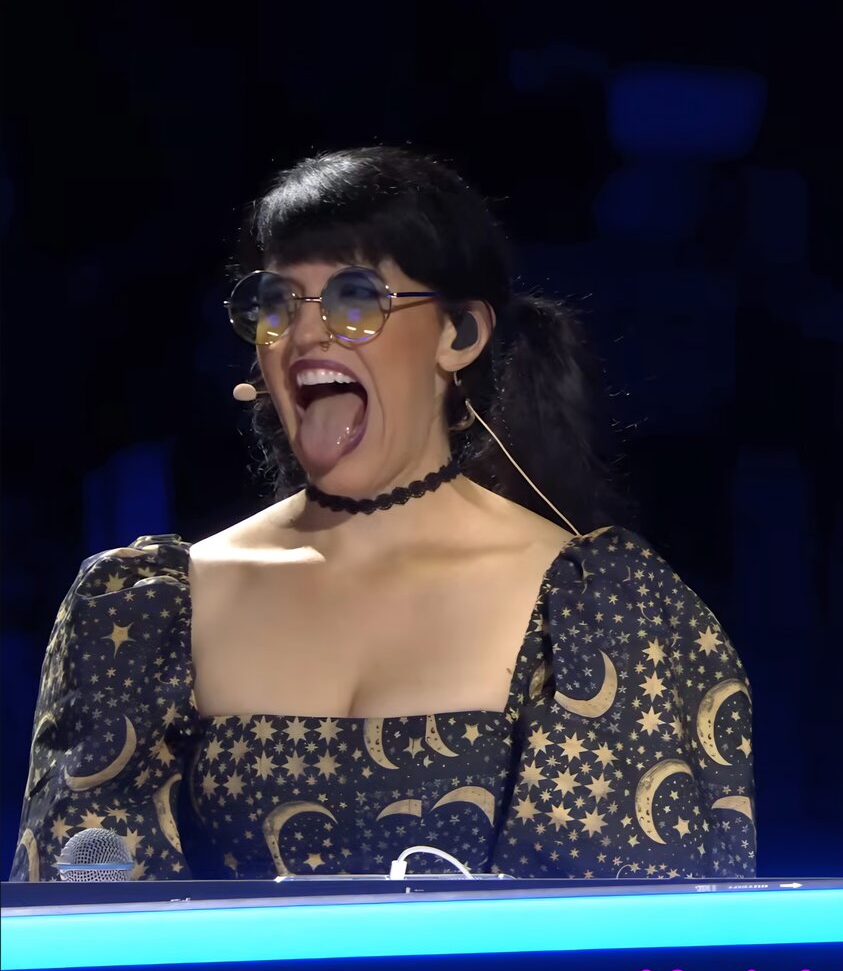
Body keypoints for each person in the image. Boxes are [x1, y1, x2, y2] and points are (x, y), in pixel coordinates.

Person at [10, 146, 755, 883]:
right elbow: (88, 908)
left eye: (355, 299)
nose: (304, 335)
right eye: (276, 304)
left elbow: (611, 920)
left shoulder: (600, 608)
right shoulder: (145, 611)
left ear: (459, 336)